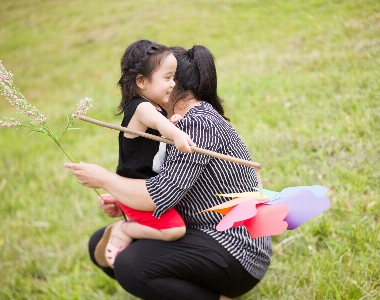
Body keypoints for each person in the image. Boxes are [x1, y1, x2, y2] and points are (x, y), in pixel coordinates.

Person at [65, 44, 272, 300]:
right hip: (200, 230)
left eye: (171, 78)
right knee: (101, 242)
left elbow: (157, 195)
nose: (169, 83)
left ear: (176, 85)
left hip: (236, 247)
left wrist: (107, 180)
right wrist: (124, 200)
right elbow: (167, 185)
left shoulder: (196, 123)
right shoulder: (173, 123)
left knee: (131, 264)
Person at [95, 40, 196, 268]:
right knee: (175, 229)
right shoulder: (139, 108)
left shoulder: (155, 109)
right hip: (135, 190)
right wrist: (175, 133)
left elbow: (160, 127)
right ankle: (123, 230)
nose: (173, 84)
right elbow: (157, 123)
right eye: (167, 78)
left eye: (174, 77)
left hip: (146, 189)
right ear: (141, 81)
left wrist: (173, 124)